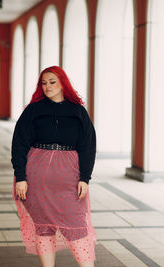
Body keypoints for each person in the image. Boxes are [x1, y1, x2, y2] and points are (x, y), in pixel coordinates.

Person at [11, 66, 97, 267]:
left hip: (69, 179)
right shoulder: (33, 110)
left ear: (63, 84)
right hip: (35, 179)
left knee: (76, 225)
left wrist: (85, 177)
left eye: (52, 82)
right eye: (44, 83)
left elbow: (88, 147)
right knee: (43, 228)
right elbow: (19, 144)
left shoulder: (78, 112)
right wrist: (20, 177)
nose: (47, 86)